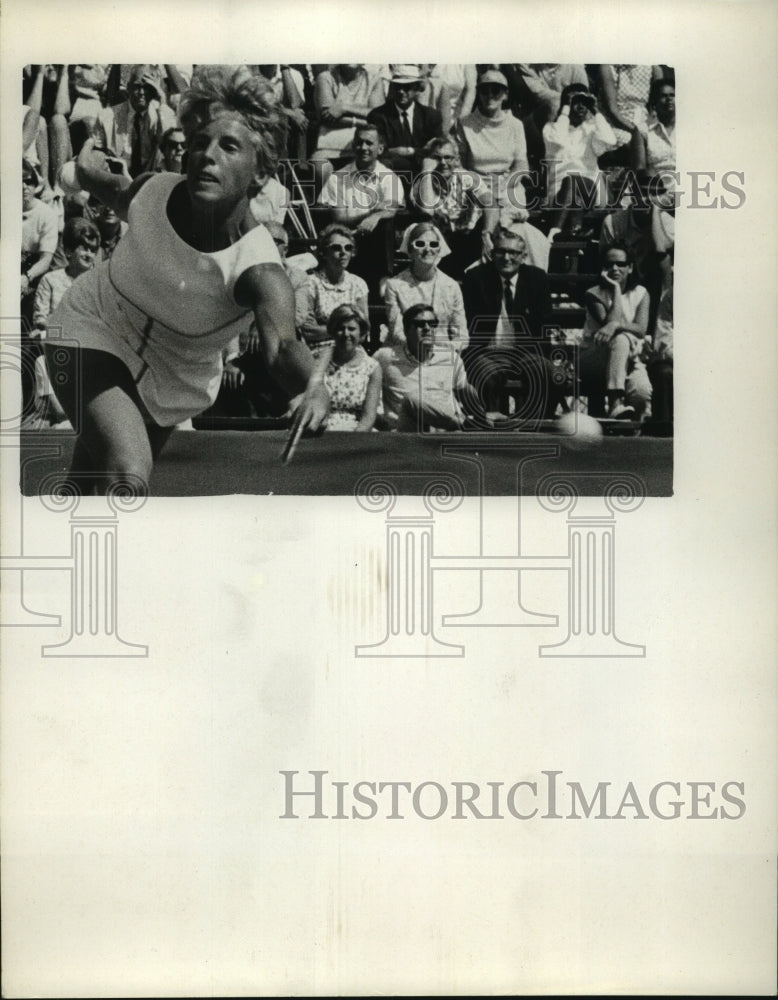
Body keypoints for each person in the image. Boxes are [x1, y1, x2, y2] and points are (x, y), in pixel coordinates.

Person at [44, 67, 329, 495]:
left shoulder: (260, 271)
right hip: (92, 329)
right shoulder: (153, 190)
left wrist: (315, 388)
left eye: (229, 146)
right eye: (199, 143)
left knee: (87, 487)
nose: (206, 155)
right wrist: (83, 166)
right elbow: (105, 185)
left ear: (260, 173)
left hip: (175, 380)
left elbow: (284, 348)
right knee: (127, 471)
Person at [462, 228, 562, 421]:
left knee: (552, 375)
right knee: (484, 374)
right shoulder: (476, 278)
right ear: (492, 254)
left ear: (523, 256)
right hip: (486, 352)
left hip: (525, 353)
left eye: (513, 253)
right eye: (500, 251)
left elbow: (544, 324)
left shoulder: (537, 279)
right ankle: (491, 429)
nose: (506, 257)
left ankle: (538, 423)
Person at [318, 123, 405, 337]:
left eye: (369, 143)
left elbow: (391, 210)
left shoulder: (389, 177)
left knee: (385, 225)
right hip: (346, 240)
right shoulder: (338, 177)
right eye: (359, 142)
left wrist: (377, 216)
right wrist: (370, 214)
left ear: (380, 149)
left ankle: (384, 285)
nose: (364, 147)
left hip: (375, 245)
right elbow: (338, 218)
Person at [29, 218, 101, 427]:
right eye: (84, 248)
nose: (89, 254)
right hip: (57, 348)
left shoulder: (98, 285)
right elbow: (40, 322)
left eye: (93, 250)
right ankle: (64, 416)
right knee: (42, 362)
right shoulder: (51, 280)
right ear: (69, 251)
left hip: (90, 350)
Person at [579, 242, 652, 419]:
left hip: (628, 358)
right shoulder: (593, 294)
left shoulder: (641, 293)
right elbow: (610, 323)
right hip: (593, 357)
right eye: (609, 264)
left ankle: (629, 438)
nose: (614, 268)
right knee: (620, 340)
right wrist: (616, 289)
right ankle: (615, 402)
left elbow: (640, 329)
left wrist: (616, 326)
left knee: (641, 394)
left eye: (620, 264)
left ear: (630, 267)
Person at [456, 70, 529, 241]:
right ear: (478, 93)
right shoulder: (465, 124)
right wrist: (479, 188)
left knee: (512, 224)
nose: (490, 95)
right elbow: (460, 165)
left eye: (496, 90)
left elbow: (521, 166)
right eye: (484, 90)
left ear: (505, 95)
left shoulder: (516, 125)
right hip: (475, 185)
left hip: (507, 184)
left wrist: (503, 187)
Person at [373, 304, 470, 431]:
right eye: (420, 324)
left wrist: (482, 413)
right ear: (406, 330)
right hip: (407, 433)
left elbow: (465, 392)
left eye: (432, 324)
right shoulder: (384, 357)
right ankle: (466, 425)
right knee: (412, 398)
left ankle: (466, 424)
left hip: (444, 432)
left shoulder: (450, 358)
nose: (427, 328)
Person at [542, 83, 618, 238]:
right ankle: (574, 232)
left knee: (571, 181)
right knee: (571, 189)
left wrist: (596, 111)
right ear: (565, 104)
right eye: (575, 101)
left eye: (585, 101)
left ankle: (555, 231)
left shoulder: (591, 130)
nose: (581, 106)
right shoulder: (551, 128)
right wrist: (565, 109)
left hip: (591, 190)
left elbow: (610, 140)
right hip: (558, 193)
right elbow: (558, 140)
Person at [383, 222, 468, 352]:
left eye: (433, 244)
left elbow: (461, 334)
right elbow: (397, 332)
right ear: (410, 251)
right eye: (420, 244)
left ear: (439, 250)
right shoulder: (394, 285)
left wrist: (445, 352)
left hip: (442, 354)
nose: (428, 249)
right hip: (406, 353)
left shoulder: (451, 286)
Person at [412, 137, 483, 279]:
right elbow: (427, 209)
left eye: (448, 157)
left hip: (468, 242)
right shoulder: (422, 183)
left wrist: (487, 232)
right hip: (440, 245)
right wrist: (426, 171)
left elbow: (490, 203)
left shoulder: (468, 178)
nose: (443, 163)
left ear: (457, 160)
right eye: (437, 158)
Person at [299, 223, 369, 357]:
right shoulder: (310, 283)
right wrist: (349, 330)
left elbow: (363, 332)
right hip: (319, 350)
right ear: (323, 253)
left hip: (352, 349)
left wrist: (327, 330)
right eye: (336, 248)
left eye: (348, 248)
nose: (343, 252)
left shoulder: (358, 284)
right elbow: (309, 331)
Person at [366, 65, 443, 182]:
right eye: (397, 87)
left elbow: (436, 149)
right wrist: (420, 150)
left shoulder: (431, 116)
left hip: (423, 174)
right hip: (391, 176)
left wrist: (408, 151)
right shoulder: (378, 116)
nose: (401, 92)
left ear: (417, 89)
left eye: (407, 87)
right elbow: (379, 151)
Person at [98, 64, 177, 177]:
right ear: (129, 87)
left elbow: (168, 145)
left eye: (147, 87)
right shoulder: (107, 116)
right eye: (137, 86)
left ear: (155, 90)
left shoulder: (161, 114)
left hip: (151, 180)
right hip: (117, 180)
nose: (141, 92)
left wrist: (162, 100)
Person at [322, 304, 382, 431]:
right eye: (340, 328)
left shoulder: (372, 368)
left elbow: (368, 417)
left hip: (358, 434)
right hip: (323, 431)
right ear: (332, 331)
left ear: (361, 332)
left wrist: (353, 442)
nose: (346, 334)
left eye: (351, 328)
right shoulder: (319, 363)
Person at [630, 77, 676, 204]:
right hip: (655, 191)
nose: (669, 99)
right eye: (663, 96)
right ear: (654, 103)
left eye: (672, 95)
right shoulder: (642, 130)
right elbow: (640, 171)